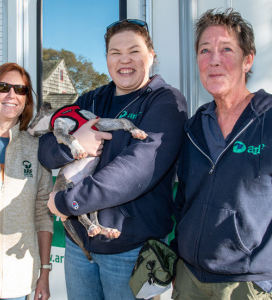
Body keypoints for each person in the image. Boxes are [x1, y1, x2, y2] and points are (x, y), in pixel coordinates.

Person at [39, 19, 187, 299]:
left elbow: (137, 171)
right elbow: (45, 148)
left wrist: (68, 202)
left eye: (134, 51)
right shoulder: (92, 99)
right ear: (106, 58)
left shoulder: (165, 101)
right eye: (115, 53)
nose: (124, 60)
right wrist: (74, 146)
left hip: (130, 250)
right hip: (78, 247)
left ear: (152, 56)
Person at [173, 9, 272, 300]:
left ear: (248, 60)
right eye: (205, 50)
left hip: (246, 284)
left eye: (226, 49)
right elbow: (183, 200)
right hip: (189, 278)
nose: (213, 59)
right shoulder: (193, 127)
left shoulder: (267, 121)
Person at [0, 63, 54, 300]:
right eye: (3, 87)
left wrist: (44, 273)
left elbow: (42, 214)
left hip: (18, 286)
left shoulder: (37, 148)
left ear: (26, 100)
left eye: (20, 90)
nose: (12, 95)